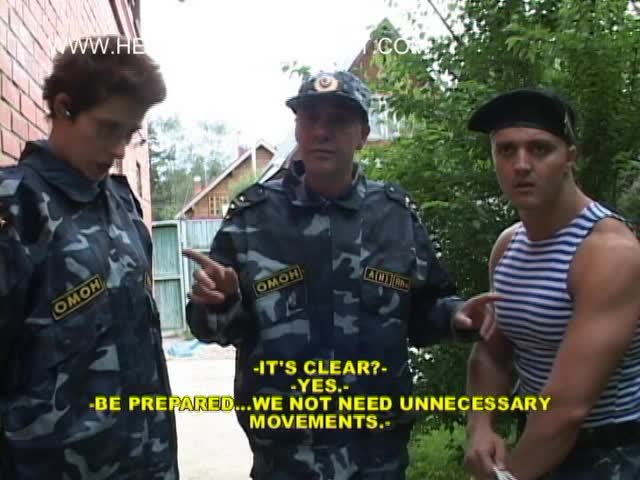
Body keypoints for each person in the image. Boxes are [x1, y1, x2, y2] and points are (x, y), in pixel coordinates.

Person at [184, 70, 499, 479]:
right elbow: (214, 329)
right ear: (297, 129)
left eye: (338, 121)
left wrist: (456, 316)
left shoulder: (394, 217)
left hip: (377, 457)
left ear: (362, 134)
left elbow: (424, 311)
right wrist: (219, 304)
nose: (322, 132)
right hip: (285, 458)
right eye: (310, 119)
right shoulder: (253, 218)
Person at [0, 35, 178, 479]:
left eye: (129, 134)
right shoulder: (15, 208)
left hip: (149, 461)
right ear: (64, 108)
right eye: (108, 128)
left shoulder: (123, 205)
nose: (119, 151)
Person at [464, 88, 640, 479]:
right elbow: (492, 350)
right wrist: (480, 424)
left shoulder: (609, 252)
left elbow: (567, 409)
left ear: (570, 158)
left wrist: (510, 476)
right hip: (539, 436)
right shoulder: (509, 246)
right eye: (506, 150)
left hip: (610, 454)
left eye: (540, 149)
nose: (521, 165)